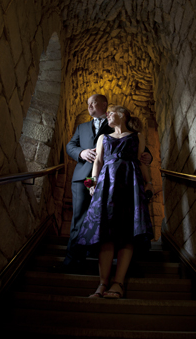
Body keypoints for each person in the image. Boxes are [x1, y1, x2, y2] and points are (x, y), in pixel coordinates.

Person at [62, 94, 153, 272]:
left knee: (119, 218)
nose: (89, 106)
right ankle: (74, 261)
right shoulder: (82, 127)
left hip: (115, 180)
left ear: (104, 105)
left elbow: (135, 147)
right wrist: (81, 153)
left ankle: (124, 263)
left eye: (92, 103)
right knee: (80, 218)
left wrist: (147, 155)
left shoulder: (115, 124)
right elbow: (70, 146)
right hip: (86, 178)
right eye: (87, 104)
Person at [76, 105, 154, 298]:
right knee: (105, 233)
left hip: (131, 184)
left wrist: (149, 183)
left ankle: (117, 284)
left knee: (127, 233)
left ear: (123, 115)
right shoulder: (103, 138)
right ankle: (102, 284)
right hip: (106, 185)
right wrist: (91, 184)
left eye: (112, 112)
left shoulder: (137, 136)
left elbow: (141, 161)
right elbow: (98, 162)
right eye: (108, 112)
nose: (108, 115)